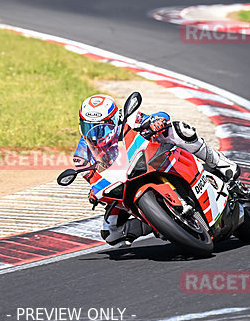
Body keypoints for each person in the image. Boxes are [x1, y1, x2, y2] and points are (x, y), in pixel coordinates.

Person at [73, 93, 240, 247]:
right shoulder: (81, 156)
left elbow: (161, 116)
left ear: (116, 119)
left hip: (151, 158)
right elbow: (94, 178)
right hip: (123, 180)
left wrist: (156, 122)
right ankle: (161, 223)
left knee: (179, 130)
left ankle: (221, 163)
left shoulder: (128, 118)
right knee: (111, 234)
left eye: (102, 127)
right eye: (89, 127)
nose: (95, 134)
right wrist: (95, 193)